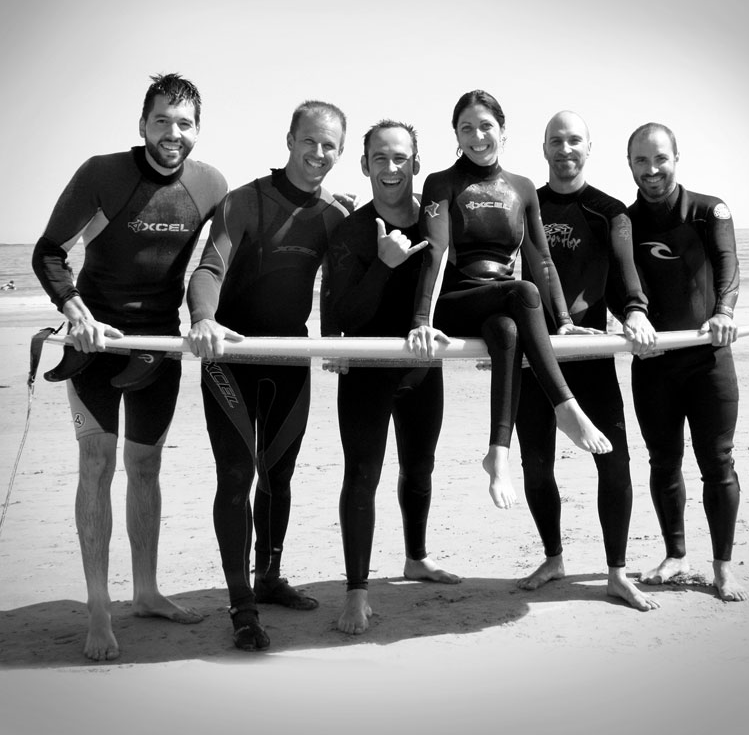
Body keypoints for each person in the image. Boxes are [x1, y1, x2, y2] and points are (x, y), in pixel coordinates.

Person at [31, 73, 227, 660]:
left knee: (146, 468)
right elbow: (48, 251)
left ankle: (145, 591)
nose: (173, 132)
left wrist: (202, 317)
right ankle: (98, 606)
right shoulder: (102, 173)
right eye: (162, 120)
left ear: (198, 129)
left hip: (158, 348)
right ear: (142, 124)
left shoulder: (211, 185)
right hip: (96, 342)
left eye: (184, 122)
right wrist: (77, 312)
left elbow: (223, 255)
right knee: (97, 464)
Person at [187, 100, 350, 650]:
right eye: (311, 141)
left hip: (289, 360)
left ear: (341, 152)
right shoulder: (246, 201)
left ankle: (271, 577)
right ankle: (241, 604)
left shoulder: (333, 215)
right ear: (290, 138)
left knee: (279, 476)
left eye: (331, 145)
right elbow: (210, 267)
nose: (319, 153)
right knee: (236, 477)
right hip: (229, 357)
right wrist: (204, 320)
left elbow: (350, 283)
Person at [407, 90, 611, 511]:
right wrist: (421, 318)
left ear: (503, 130)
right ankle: (566, 406)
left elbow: (541, 259)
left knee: (507, 330)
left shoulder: (521, 189)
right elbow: (435, 252)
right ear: (456, 135)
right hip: (456, 302)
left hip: (502, 307)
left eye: (486, 126)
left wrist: (564, 320)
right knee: (522, 291)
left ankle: (497, 453)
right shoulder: (441, 183)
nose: (477, 136)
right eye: (466, 128)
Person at [513, 111, 659, 611]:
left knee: (613, 463)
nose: (565, 148)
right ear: (545, 147)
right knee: (536, 465)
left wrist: (636, 313)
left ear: (589, 147)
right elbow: (500, 269)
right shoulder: (524, 202)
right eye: (556, 140)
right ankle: (553, 557)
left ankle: (616, 573)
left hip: (590, 351)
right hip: (536, 356)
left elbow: (625, 275)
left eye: (575, 139)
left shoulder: (608, 210)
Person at [327, 121, 460, 635]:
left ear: (416, 164)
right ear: (364, 166)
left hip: (421, 367)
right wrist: (383, 265)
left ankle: (416, 558)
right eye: (379, 158)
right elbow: (348, 314)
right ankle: (356, 593)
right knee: (362, 474)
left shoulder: (434, 222)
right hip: (365, 371)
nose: (389, 167)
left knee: (420, 466)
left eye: (400, 158)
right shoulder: (351, 231)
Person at [626, 122, 747, 602]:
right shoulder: (625, 221)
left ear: (677, 157)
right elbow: (620, 283)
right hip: (654, 360)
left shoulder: (707, 210)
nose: (652, 170)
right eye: (641, 160)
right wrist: (631, 317)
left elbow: (729, 267)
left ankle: (722, 568)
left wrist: (724, 313)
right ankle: (676, 555)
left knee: (717, 462)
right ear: (629, 163)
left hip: (709, 359)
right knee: (663, 461)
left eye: (660, 159)